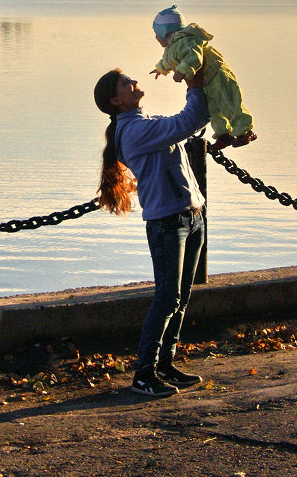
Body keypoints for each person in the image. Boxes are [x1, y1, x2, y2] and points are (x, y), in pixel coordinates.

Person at [94, 67, 210, 398]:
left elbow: (190, 124)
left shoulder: (147, 123)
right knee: (167, 298)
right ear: (116, 100)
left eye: (132, 79)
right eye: (126, 84)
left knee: (181, 297)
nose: (134, 83)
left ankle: (165, 364)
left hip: (192, 216)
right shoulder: (133, 132)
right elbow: (188, 120)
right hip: (167, 223)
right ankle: (144, 374)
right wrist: (194, 84)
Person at [150, 5, 256, 150]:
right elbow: (168, 61)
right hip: (205, 82)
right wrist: (160, 69)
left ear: (165, 31)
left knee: (229, 102)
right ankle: (223, 134)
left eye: (156, 33)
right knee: (213, 109)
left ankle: (244, 131)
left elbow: (194, 58)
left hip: (217, 75)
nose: (155, 37)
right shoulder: (172, 48)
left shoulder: (185, 41)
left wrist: (181, 71)